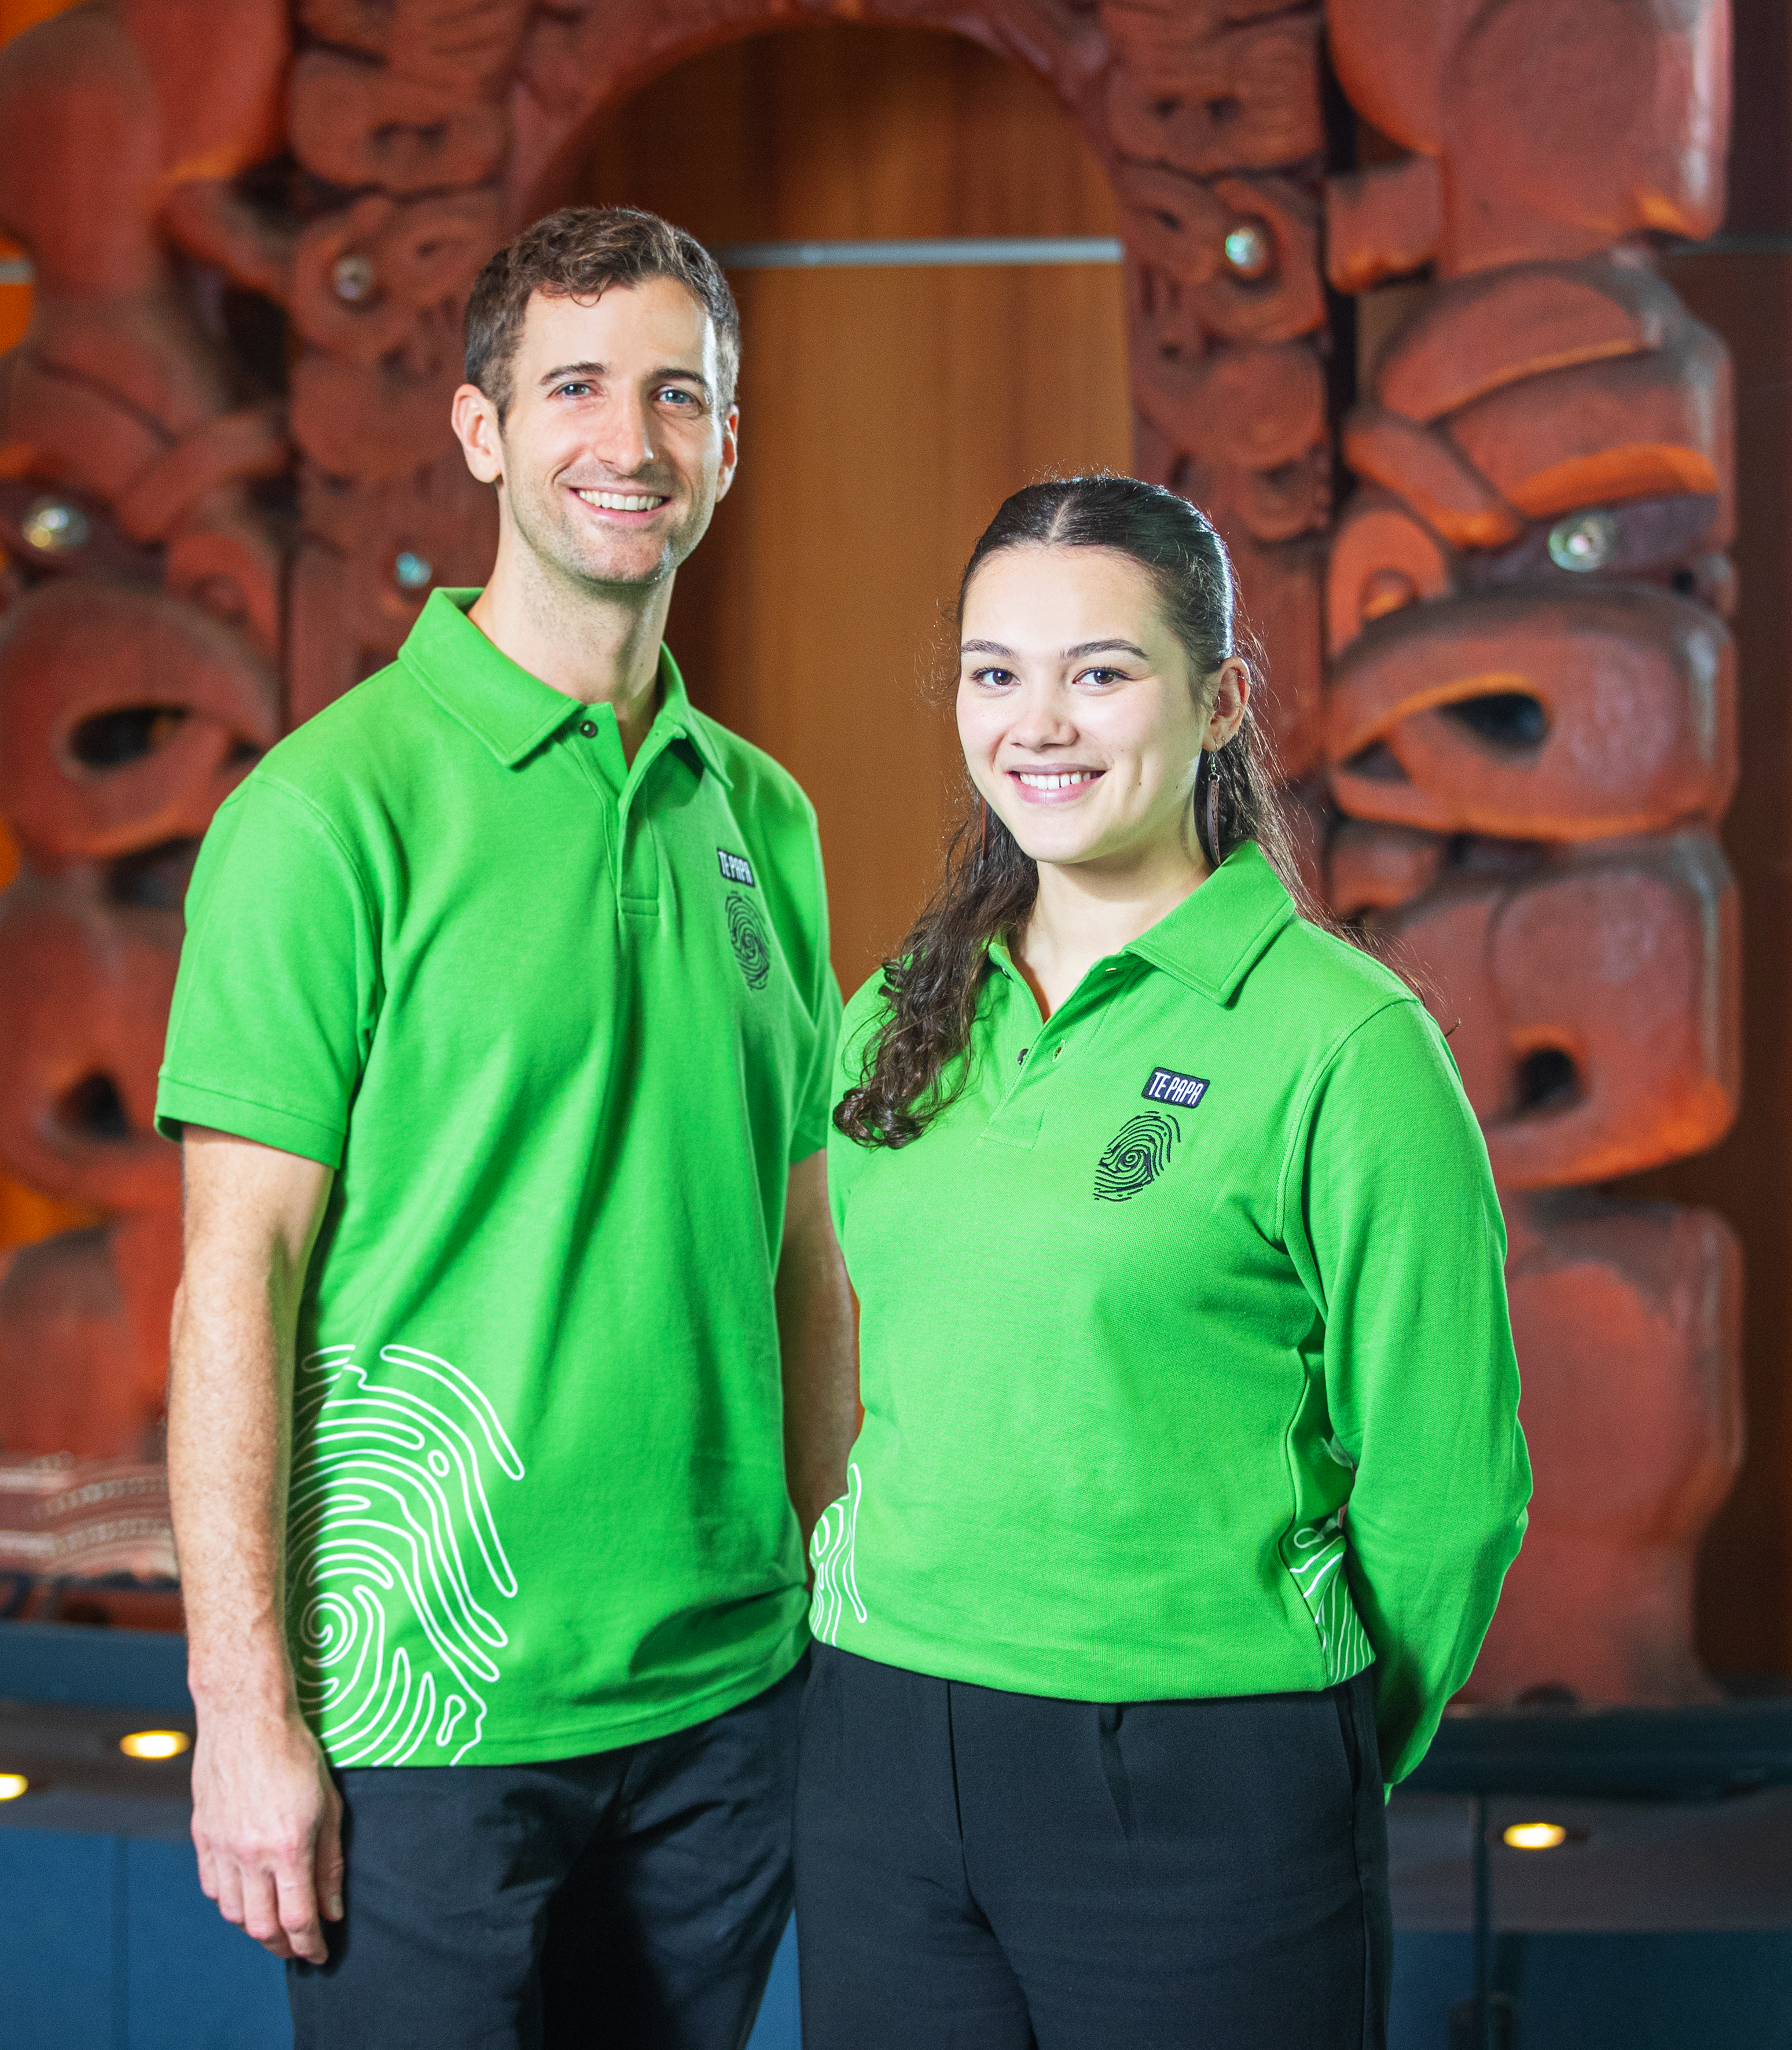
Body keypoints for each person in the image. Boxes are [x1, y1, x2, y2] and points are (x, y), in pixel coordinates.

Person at [157, 206, 854, 2049]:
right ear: (480, 432)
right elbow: (238, 1272)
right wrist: (245, 1713)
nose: (630, 444)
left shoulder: (763, 821)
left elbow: (805, 1256)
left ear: (726, 443)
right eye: (574, 389)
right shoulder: (327, 815)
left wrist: (839, 1615)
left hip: (733, 1700)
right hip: (427, 1714)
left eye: (676, 397)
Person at [795, 475, 1532, 2050]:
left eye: (1100, 672)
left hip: (1209, 1776)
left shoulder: (1345, 1045)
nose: (1037, 724)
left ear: (1220, 703)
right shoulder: (898, 1013)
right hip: (881, 1748)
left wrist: (1296, 1744)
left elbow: (1451, 1493)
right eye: (996, 674)